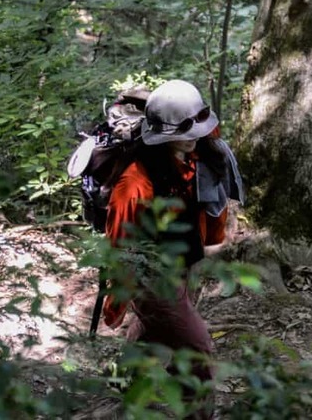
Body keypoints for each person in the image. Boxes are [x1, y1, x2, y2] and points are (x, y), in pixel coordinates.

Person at [101, 79, 243, 416]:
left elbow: (213, 201)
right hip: (150, 277)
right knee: (197, 349)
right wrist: (117, 298)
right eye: (187, 129)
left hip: (182, 265)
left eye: (199, 124)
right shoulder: (135, 181)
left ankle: (123, 381)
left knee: (154, 328)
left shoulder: (201, 155)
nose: (196, 134)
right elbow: (119, 243)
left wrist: (211, 243)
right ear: (162, 134)